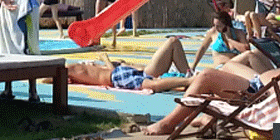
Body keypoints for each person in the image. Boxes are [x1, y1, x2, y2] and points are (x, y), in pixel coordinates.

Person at [143, 63, 280, 135]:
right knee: (228, 65)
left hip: (258, 94)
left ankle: (168, 124)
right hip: (260, 83)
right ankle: (208, 119)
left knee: (206, 76)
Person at [66, 36, 196, 93]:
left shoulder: (71, 70)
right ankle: (189, 80)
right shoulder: (69, 70)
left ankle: (188, 78)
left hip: (122, 74)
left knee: (173, 42)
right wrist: (106, 59)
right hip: (118, 75)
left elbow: (48, 77)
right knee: (153, 85)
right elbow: (47, 78)